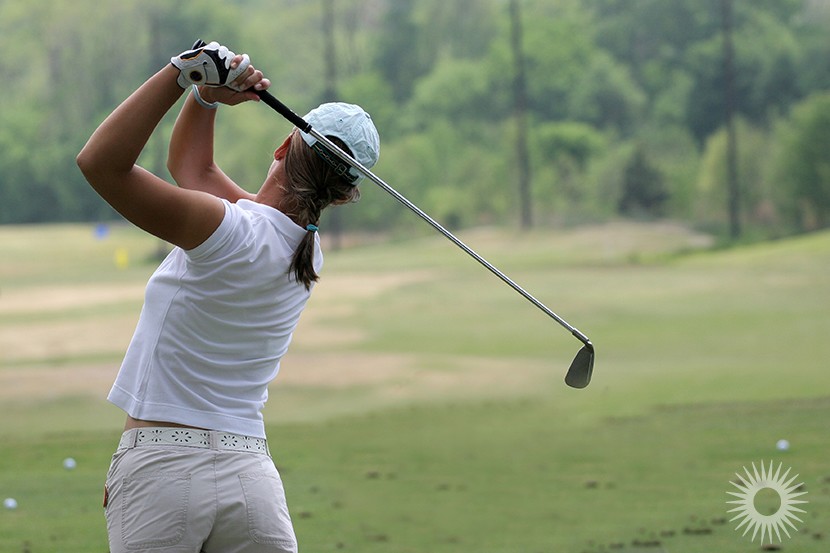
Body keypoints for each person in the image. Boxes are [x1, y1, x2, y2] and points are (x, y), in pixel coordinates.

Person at [77, 40, 380, 553]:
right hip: (251, 482)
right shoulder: (305, 251)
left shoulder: (229, 228)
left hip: (163, 470)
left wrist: (181, 74)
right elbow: (193, 171)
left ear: (284, 147)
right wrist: (205, 98)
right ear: (345, 194)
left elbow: (100, 164)